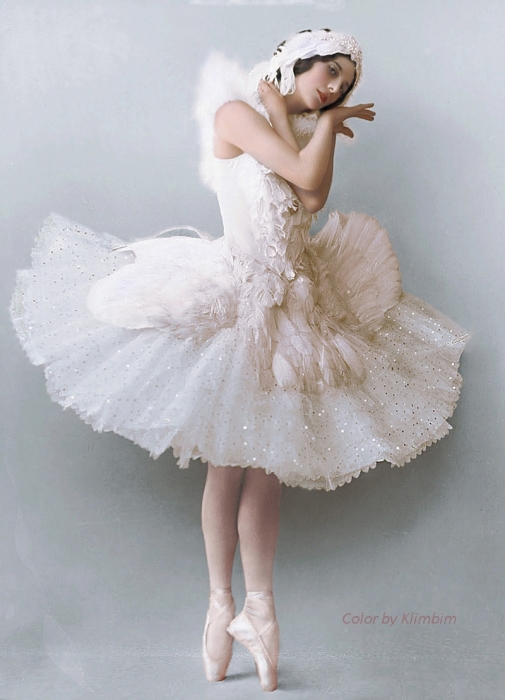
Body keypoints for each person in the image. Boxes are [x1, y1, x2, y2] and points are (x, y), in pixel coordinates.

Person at [10, 29, 468, 693]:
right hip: (237, 295)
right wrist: (312, 123)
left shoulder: (290, 126)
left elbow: (311, 200)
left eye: (345, 82)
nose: (335, 88)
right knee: (228, 461)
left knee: (267, 462)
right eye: (329, 72)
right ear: (295, 62)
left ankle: (261, 610)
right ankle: (218, 605)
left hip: (296, 302)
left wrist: (307, 121)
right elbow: (304, 177)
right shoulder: (233, 113)